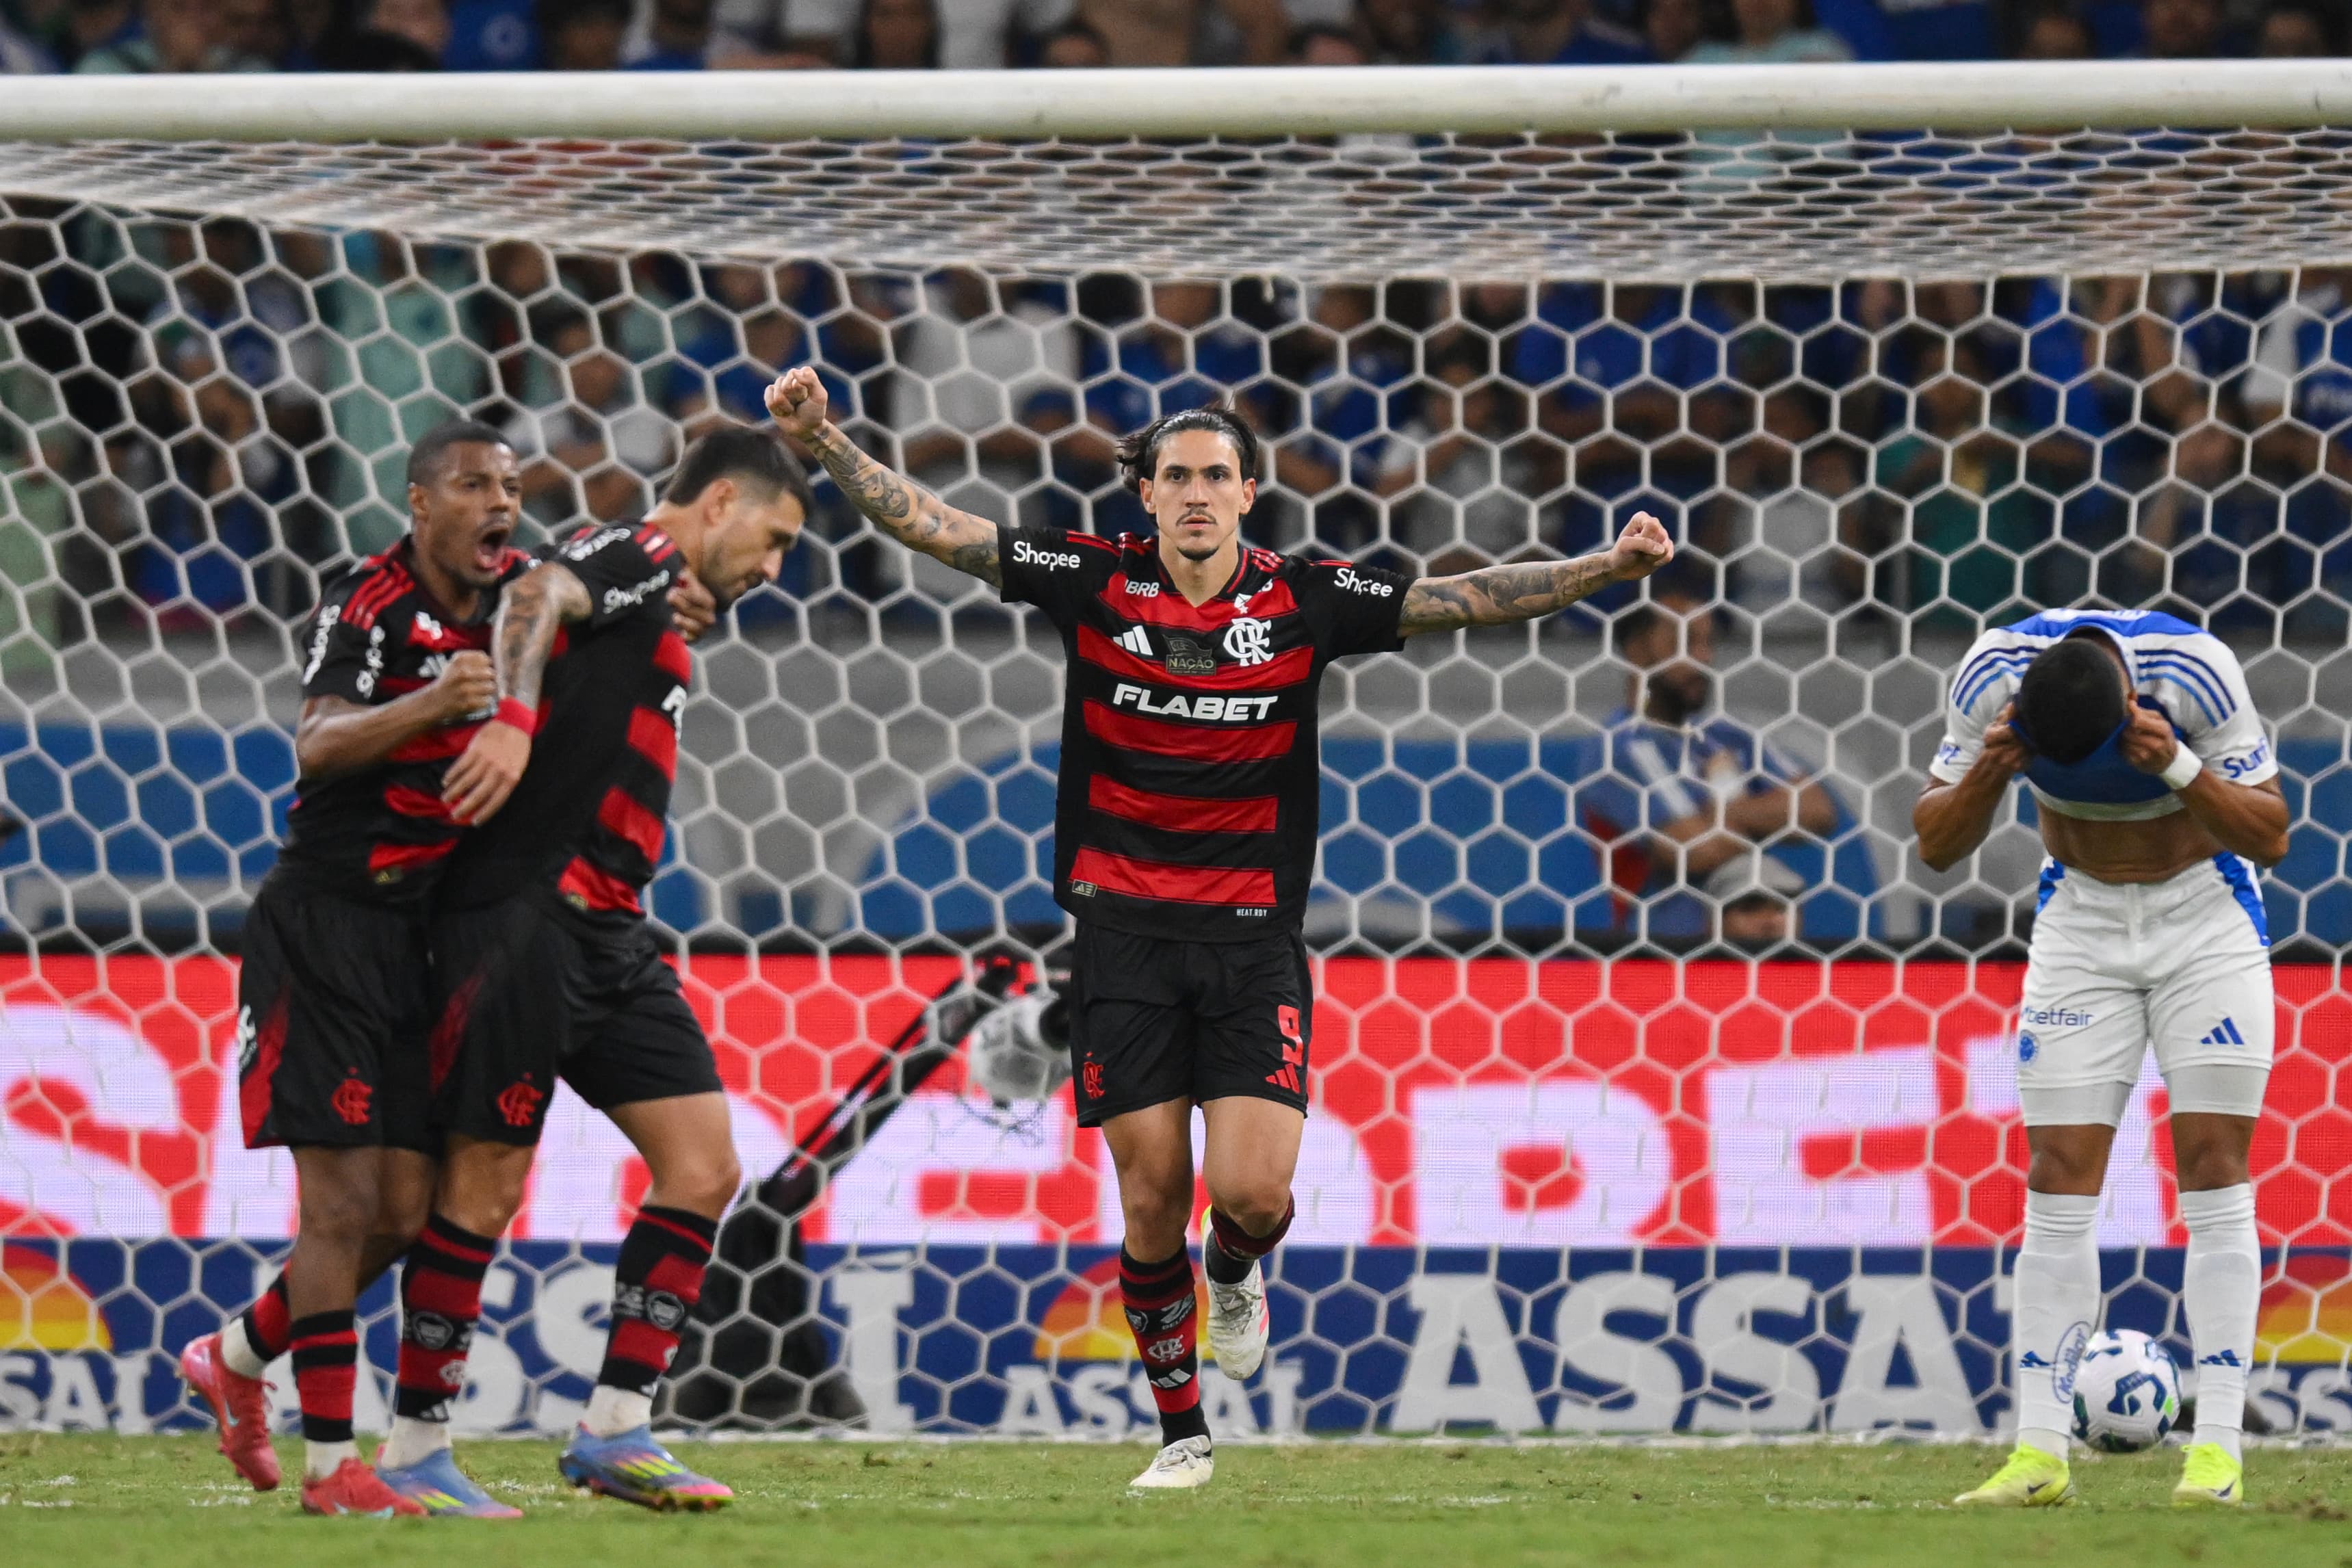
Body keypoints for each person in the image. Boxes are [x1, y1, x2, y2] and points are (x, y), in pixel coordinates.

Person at [762, 365, 1673, 1489]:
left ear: (1250, 493)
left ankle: (1234, 1269)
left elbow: (1469, 594)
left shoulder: (1303, 598)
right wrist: (827, 446)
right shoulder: (1089, 579)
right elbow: (946, 532)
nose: (1196, 494)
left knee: (1249, 1196)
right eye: (1176, 476)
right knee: (1149, 1198)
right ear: (1142, 494)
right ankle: (1182, 1433)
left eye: (1217, 476)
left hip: (1250, 941)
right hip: (1122, 939)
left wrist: (1606, 566)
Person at [374, 427, 811, 1515]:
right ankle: (414, 1448)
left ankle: (615, 1429)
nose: (774, 569)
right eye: (773, 539)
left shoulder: (663, 593)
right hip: (523, 913)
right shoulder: (630, 553)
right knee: (482, 1185)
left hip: (614, 933)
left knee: (704, 1167)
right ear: (717, 502)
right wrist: (514, 725)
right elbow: (533, 600)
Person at [178, 421, 526, 1519]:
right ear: (422, 505)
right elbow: (318, 741)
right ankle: (334, 1468)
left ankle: (235, 1355)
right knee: (337, 1209)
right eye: (474, 486)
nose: (499, 504)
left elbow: (592, 596)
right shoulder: (366, 599)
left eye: (510, 487)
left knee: (406, 1212)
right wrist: (436, 702)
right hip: (323, 926)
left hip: (420, 942)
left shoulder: (525, 594)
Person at [1922, 610, 2288, 1509]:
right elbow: (1934, 844)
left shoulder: (2195, 670)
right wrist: (1991, 768)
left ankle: (2215, 1455)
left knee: (2211, 1170)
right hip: (2079, 924)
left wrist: (2173, 763)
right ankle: (2038, 1456)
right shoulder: (1990, 675)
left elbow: (2269, 834)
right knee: (2055, 1180)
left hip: (2204, 920)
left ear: (2131, 699)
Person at [1580, 592, 1840, 943]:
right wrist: (1748, 802)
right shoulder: (1619, 747)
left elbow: (1817, 811)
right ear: (1637, 649)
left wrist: (1724, 808)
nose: (1703, 658)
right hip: (1664, 951)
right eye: (1684, 642)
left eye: (1708, 643)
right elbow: (1698, 851)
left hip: (1750, 947)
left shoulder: (1725, 734)